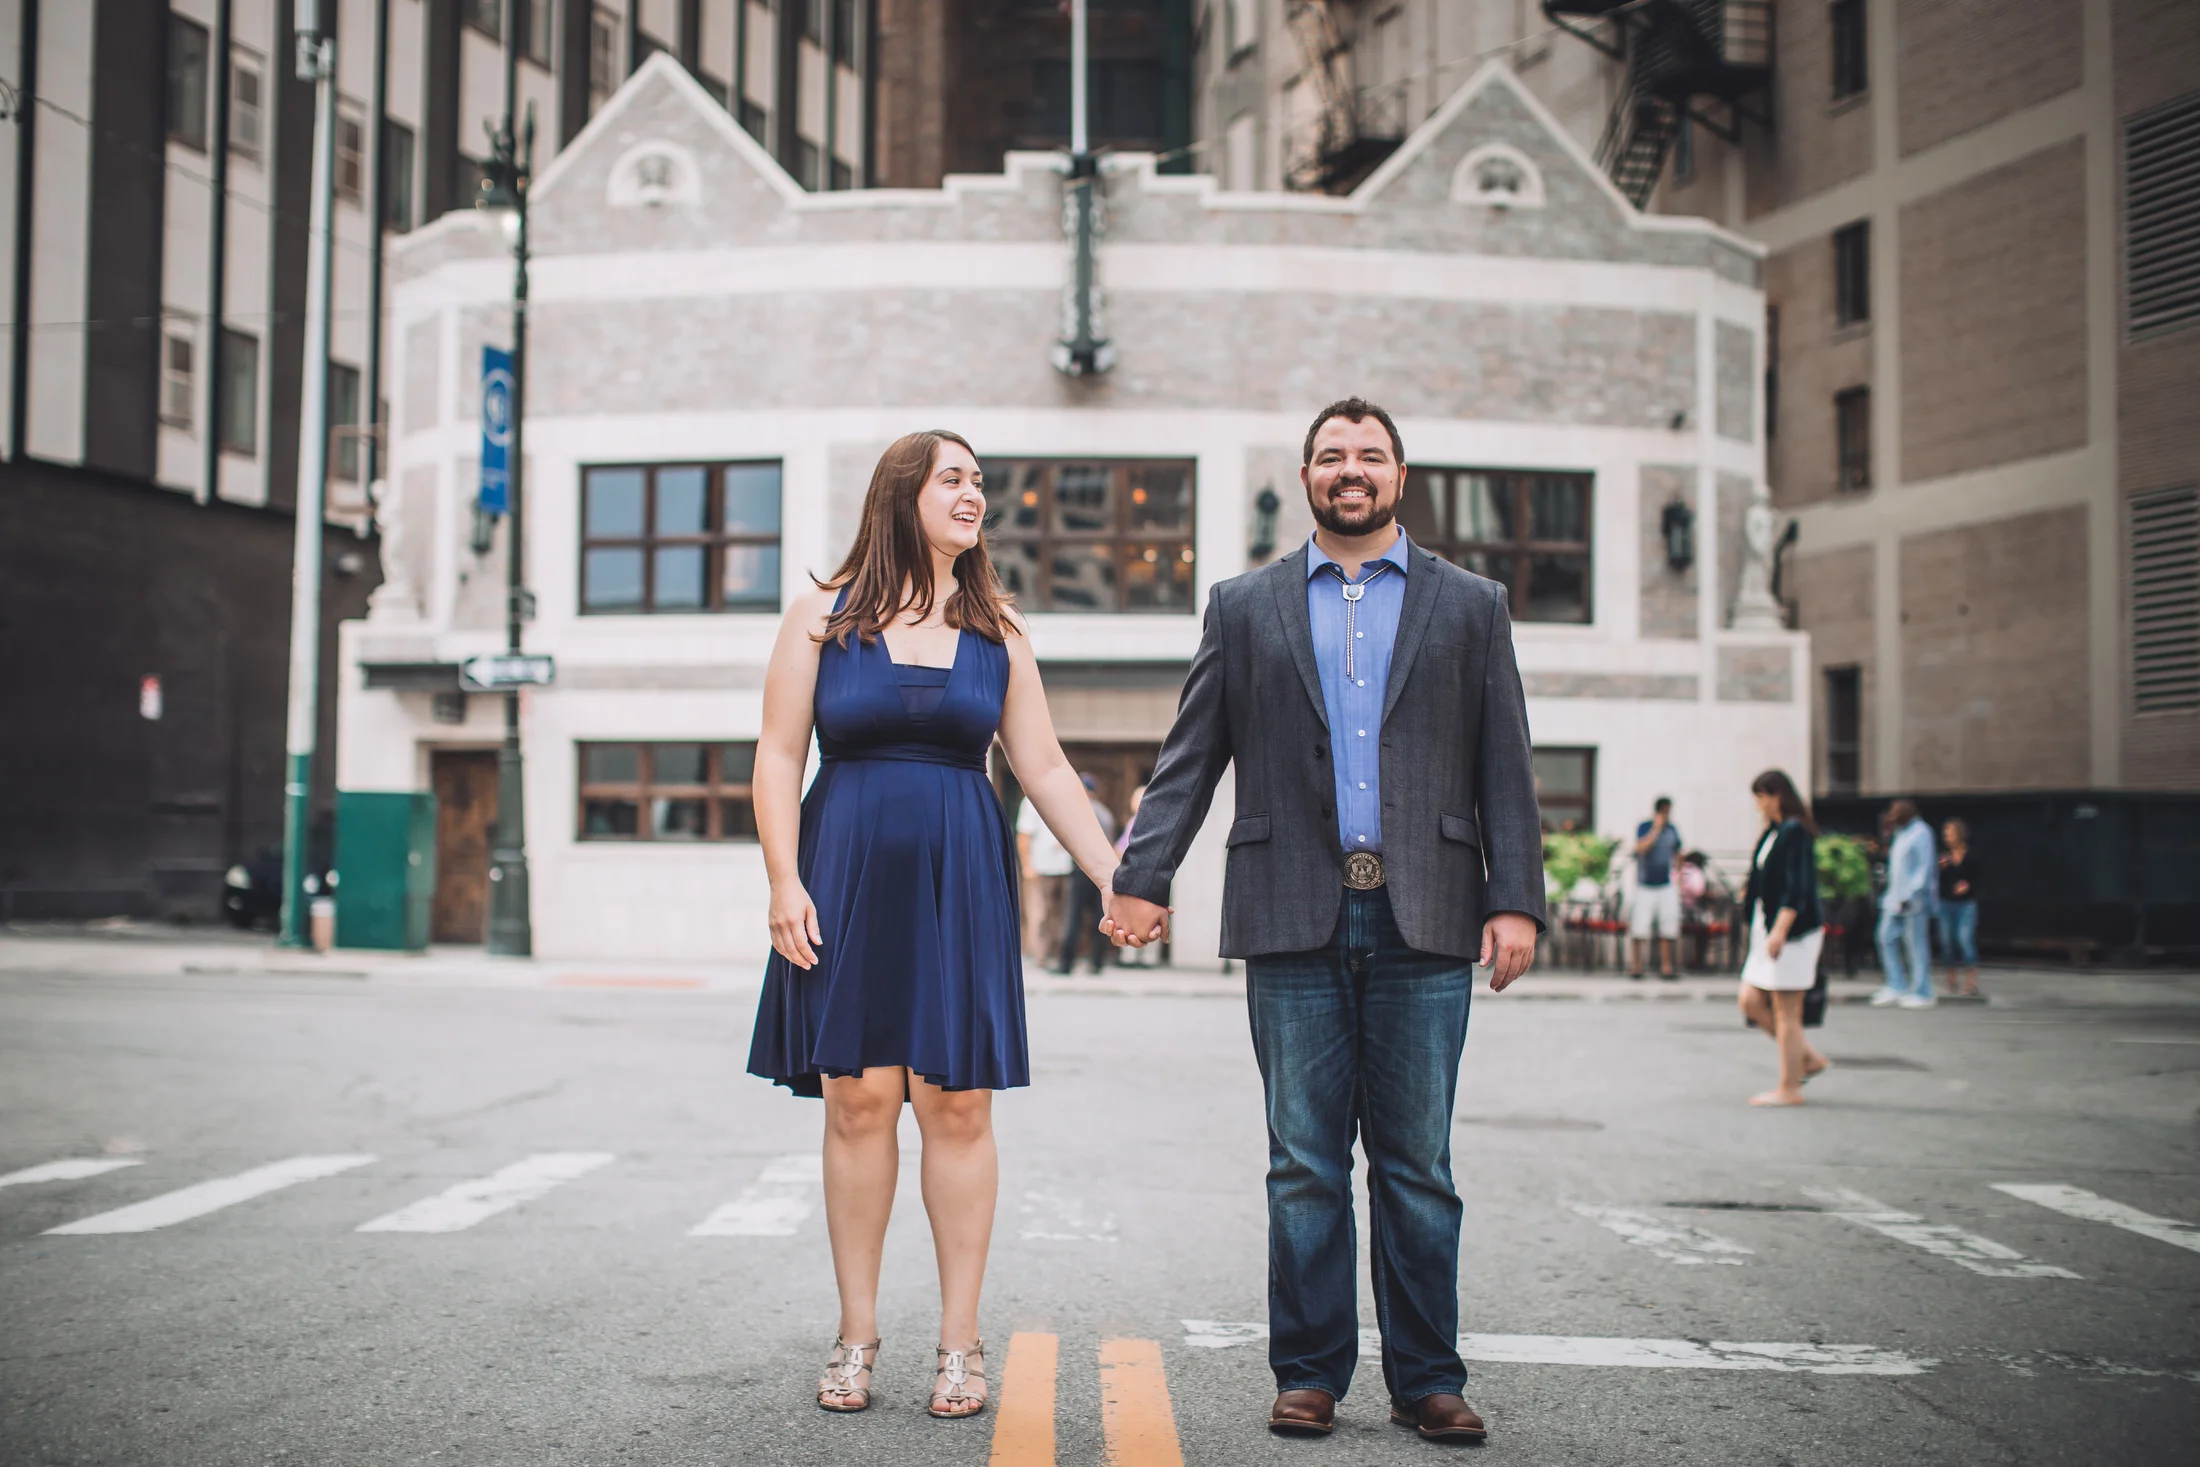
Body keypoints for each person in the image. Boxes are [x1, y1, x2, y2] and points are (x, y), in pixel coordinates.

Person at [1104, 398, 1544, 1446]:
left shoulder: (1472, 604)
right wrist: (1141, 872)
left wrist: (1515, 898)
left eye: (1370, 455)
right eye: (1331, 456)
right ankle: (1307, 1373)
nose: (1351, 470)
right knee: (1302, 1164)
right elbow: (1190, 754)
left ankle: (1427, 1380)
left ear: (1400, 473)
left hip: (1427, 915)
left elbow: (1505, 765)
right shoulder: (1245, 605)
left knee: (1416, 1167)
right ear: (1306, 475)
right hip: (1290, 909)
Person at [745, 430, 1118, 1420]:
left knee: (957, 1106)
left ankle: (960, 1342)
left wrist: (1112, 875)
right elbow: (779, 757)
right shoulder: (821, 615)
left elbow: (1040, 767)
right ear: (901, 494)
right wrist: (784, 880)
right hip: (841, 875)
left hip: (959, 880)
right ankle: (856, 1333)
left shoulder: (999, 627)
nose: (974, 495)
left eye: (981, 484)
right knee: (858, 1103)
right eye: (954, 479)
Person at [1737, 769, 1830, 1107]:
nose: (1758, 806)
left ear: (1776, 796)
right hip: (1769, 927)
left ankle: (1790, 1087)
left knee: (1786, 1008)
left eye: (1760, 798)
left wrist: (1780, 930)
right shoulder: (1775, 832)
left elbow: (1798, 886)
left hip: (1792, 931)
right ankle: (1807, 1058)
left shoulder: (1795, 833)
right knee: (1749, 1000)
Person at [1874, 799, 1938, 1010]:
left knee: (1915, 945)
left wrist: (1910, 895)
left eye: (1896, 814)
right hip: (1894, 898)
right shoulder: (1900, 833)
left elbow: (1923, 868)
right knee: (1885, 937)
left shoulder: (1921, 832)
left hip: (1913, 901)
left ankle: (1922, 991)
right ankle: (1896, 985)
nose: (1892, 818)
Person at [1050, 773, 1117, 973]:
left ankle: (1066, 964)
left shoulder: (1081, 812)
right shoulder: (1106, 814)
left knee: (1072, 919)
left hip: (1081, 872)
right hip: (1102, 873)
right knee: (1100, 917)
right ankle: (1096, 963)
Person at [1628, 797, 1683, 980]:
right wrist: (1656, 830)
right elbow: (1640, 848)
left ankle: (1666, 967)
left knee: (1668, 926)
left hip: (1666, 884)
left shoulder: (1672, 830)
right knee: (1639, 927)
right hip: (1645, 885)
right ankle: (1637, 967)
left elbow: (1678, 852)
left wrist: (1679, 872)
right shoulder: (1645, 827)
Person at [1015, 789, 1072, 962]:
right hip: (1041, 866)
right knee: (1040, 913)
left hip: (1066, 866)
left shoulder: (1068, 800)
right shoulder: (1031, 800)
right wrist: (1027, 865)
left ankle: (1058, 952)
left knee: (1061, 913)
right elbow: (1024, 835)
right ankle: (1040, 954)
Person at [1937, 818, 1980, 998]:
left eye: (1950, 834)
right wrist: (1942, 868)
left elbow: (1979, 880)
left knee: (1964, 939)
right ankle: (1951, 980)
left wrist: (1967, 886)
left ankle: (1971, 982)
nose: (1947, 838)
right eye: (1946, 834)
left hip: (1966, 904)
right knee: (1947, 941)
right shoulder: (1944, 857)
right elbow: (1938, 883)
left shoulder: (1971, 856)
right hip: (1946, 903)